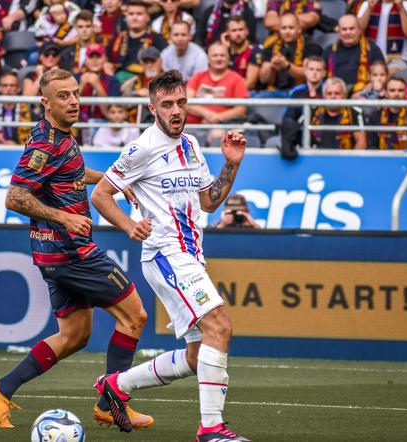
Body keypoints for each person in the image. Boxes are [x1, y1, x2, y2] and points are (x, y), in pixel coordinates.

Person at [0, 68, 153, 431]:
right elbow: (15, 196)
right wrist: (64, 217)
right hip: (71, 252)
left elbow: (71, 171)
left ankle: (0, 388)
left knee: (74, 336)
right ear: (46, 102)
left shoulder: (61, 137)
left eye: (75, 93)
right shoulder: (44, 144)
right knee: (134, 316)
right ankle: (111, 402)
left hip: (53, 255)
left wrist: (111, 180)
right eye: (63, 96)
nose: (73, 101)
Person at [90, 69, 250, 442]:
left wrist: (232, 164)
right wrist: (129, 227)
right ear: (152, 108)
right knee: (220, 327)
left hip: (191, 255)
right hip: (166, 253)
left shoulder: (192, 145)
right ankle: (211, 428)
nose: (176, 110)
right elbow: (100, 194)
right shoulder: (143, 148)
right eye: (167, 104)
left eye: (181, 102)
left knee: (198, 355)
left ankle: (115, 385)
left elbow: (209, 202)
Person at [186, 42, 249, 147]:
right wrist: (207, 114)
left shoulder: (237, 79)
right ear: (208, 59)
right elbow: (186, 102)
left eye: (222, 55)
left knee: (217, 135)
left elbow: (241, 109)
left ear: (228, 59)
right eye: (215, 55)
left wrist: (218, 117)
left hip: (223, 127)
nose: (218, 58)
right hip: (194, 126)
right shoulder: (198, 77)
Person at [255, 13, 322, 98]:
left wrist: (287, 66)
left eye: (291, 28)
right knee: (255, 97)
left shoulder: (311, 45)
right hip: (276, 91)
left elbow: (310, 74)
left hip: (302, 91)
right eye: (284, 28)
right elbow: (263, 79)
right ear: (279, 30)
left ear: (299, 29)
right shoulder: (270, 45)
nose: (287, 31)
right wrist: (271, 67)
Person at [323, 14, 385, 94]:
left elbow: (381, 75)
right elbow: (322, 77)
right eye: (344, 29)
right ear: (338, 31)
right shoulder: (329, 51)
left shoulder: (372, 49)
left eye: (352, 29)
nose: (348, 32)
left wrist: (364, 91)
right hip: (335, 95)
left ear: (359, 30)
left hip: (364, 96)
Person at [106, 0, 167, 81]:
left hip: (144, 84)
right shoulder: (118, 38)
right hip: (116, 82)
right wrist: (106, 66)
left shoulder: (157, 40)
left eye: (139, 14)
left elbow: (166, 65)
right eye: (131, 14)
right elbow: (106, 59)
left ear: (147, 17)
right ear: (126, 17)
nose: (134, 17)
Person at [356, 0, 407, 73]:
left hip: (398, 59)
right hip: (370, 56)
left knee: (384, 75)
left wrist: (401, 9)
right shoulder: (367, 4)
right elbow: (358, 31)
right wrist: (369, 9)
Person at [366, 76, 407, 149]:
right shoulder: (375, 116)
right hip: (381, 158)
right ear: (386, 93)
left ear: (406, 93)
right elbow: (371, 145)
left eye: (400, 90)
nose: (396, 94)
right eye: (392, 90)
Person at [0, 72, 36, 145]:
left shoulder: (28, 111)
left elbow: (36, 138)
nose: (8, 88)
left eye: (12, 85)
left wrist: (16, 144)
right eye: (5, 85)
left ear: (18, 89)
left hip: (20, 152)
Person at [309, 77, 366, 148]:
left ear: (345, 95)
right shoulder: (313, 111)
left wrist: (350, 159)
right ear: (324, 96)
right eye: (329, 93)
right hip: (315, 157)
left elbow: (361, 143)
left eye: (337, 93)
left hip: (345, 157)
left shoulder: (354, 112)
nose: (333, 96)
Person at [223, 15, 252, 79]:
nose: (238, 34)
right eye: (234, 30)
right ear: (227, 33)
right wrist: (224, 50)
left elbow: (249, 83)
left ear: (246, 31)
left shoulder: (253, 51)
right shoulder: (224, 51)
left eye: (241, 30)